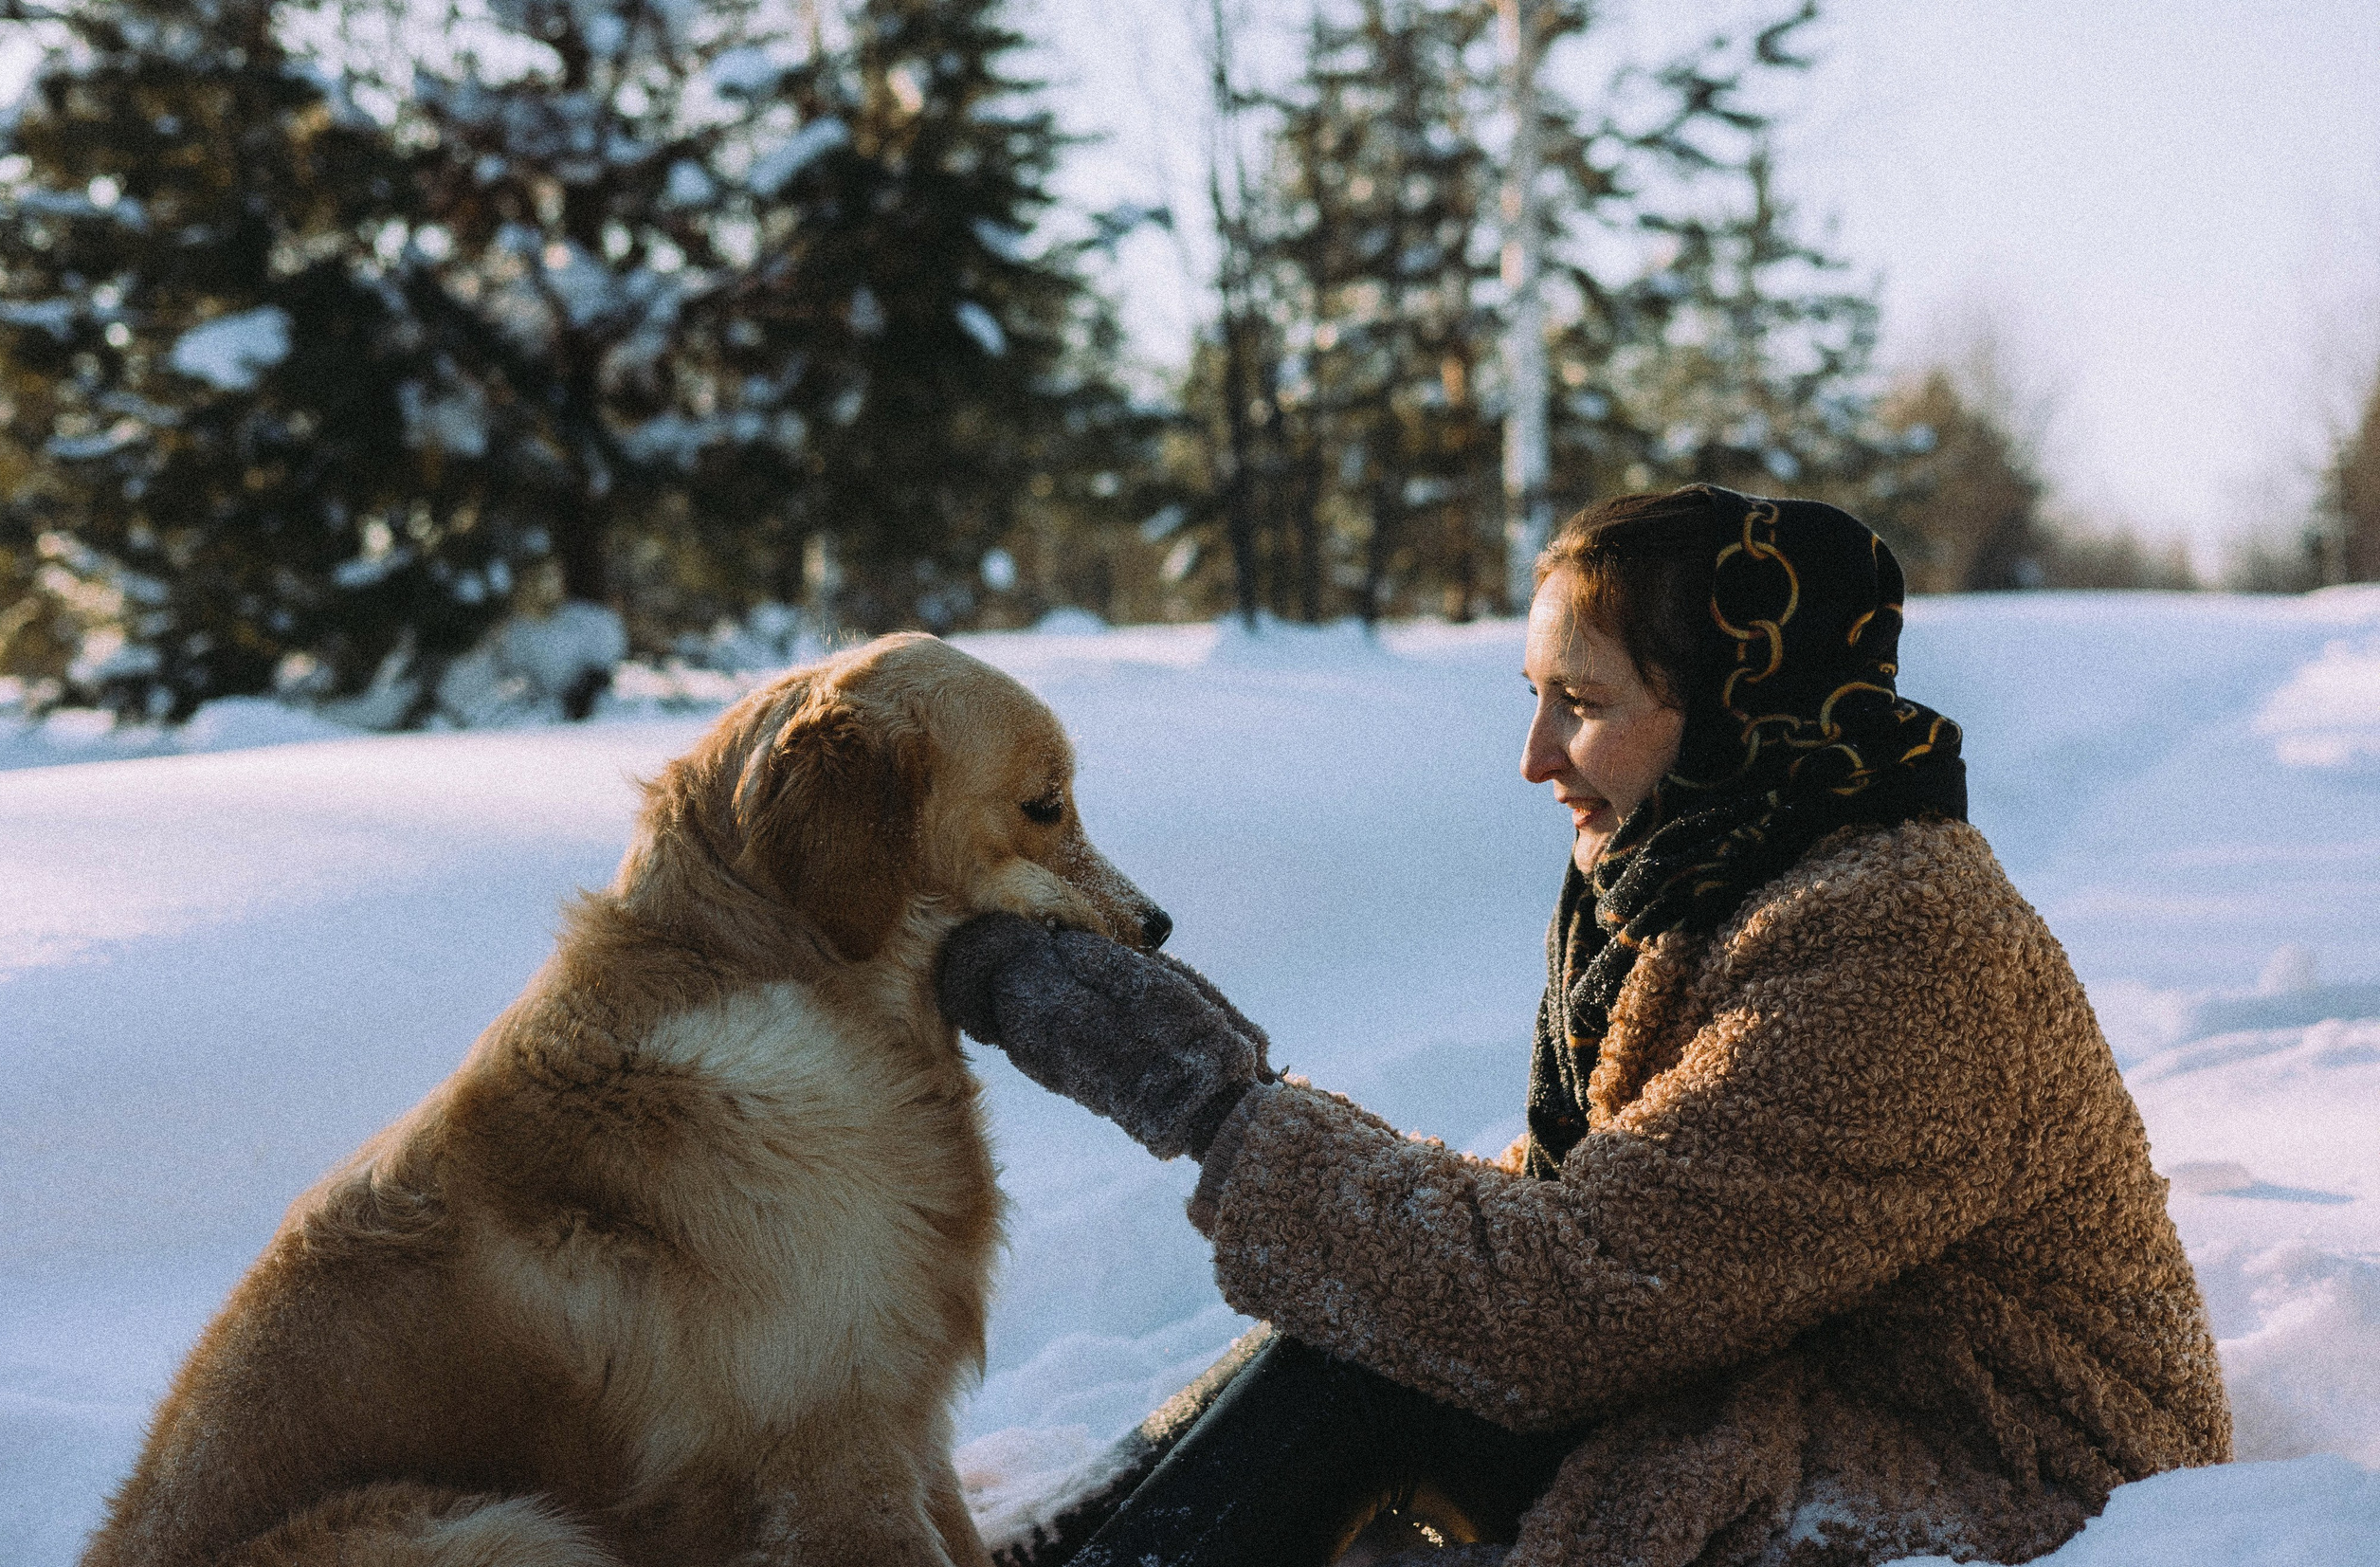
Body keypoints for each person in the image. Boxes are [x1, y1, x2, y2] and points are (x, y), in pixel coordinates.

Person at [938, 485, 2231, 1567]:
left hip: (1997, 1462)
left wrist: (1206, 1099)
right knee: (1371, 1331)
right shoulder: (1728, 864)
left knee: (1391, 1361)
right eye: (1535, 693)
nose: (1535, 755)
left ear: (1737, 705)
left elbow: (1567, 1303)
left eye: (1585, 702)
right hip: (1794, 1366)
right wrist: (1242, 1104)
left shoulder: (1894, 949)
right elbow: (1580, 1234)